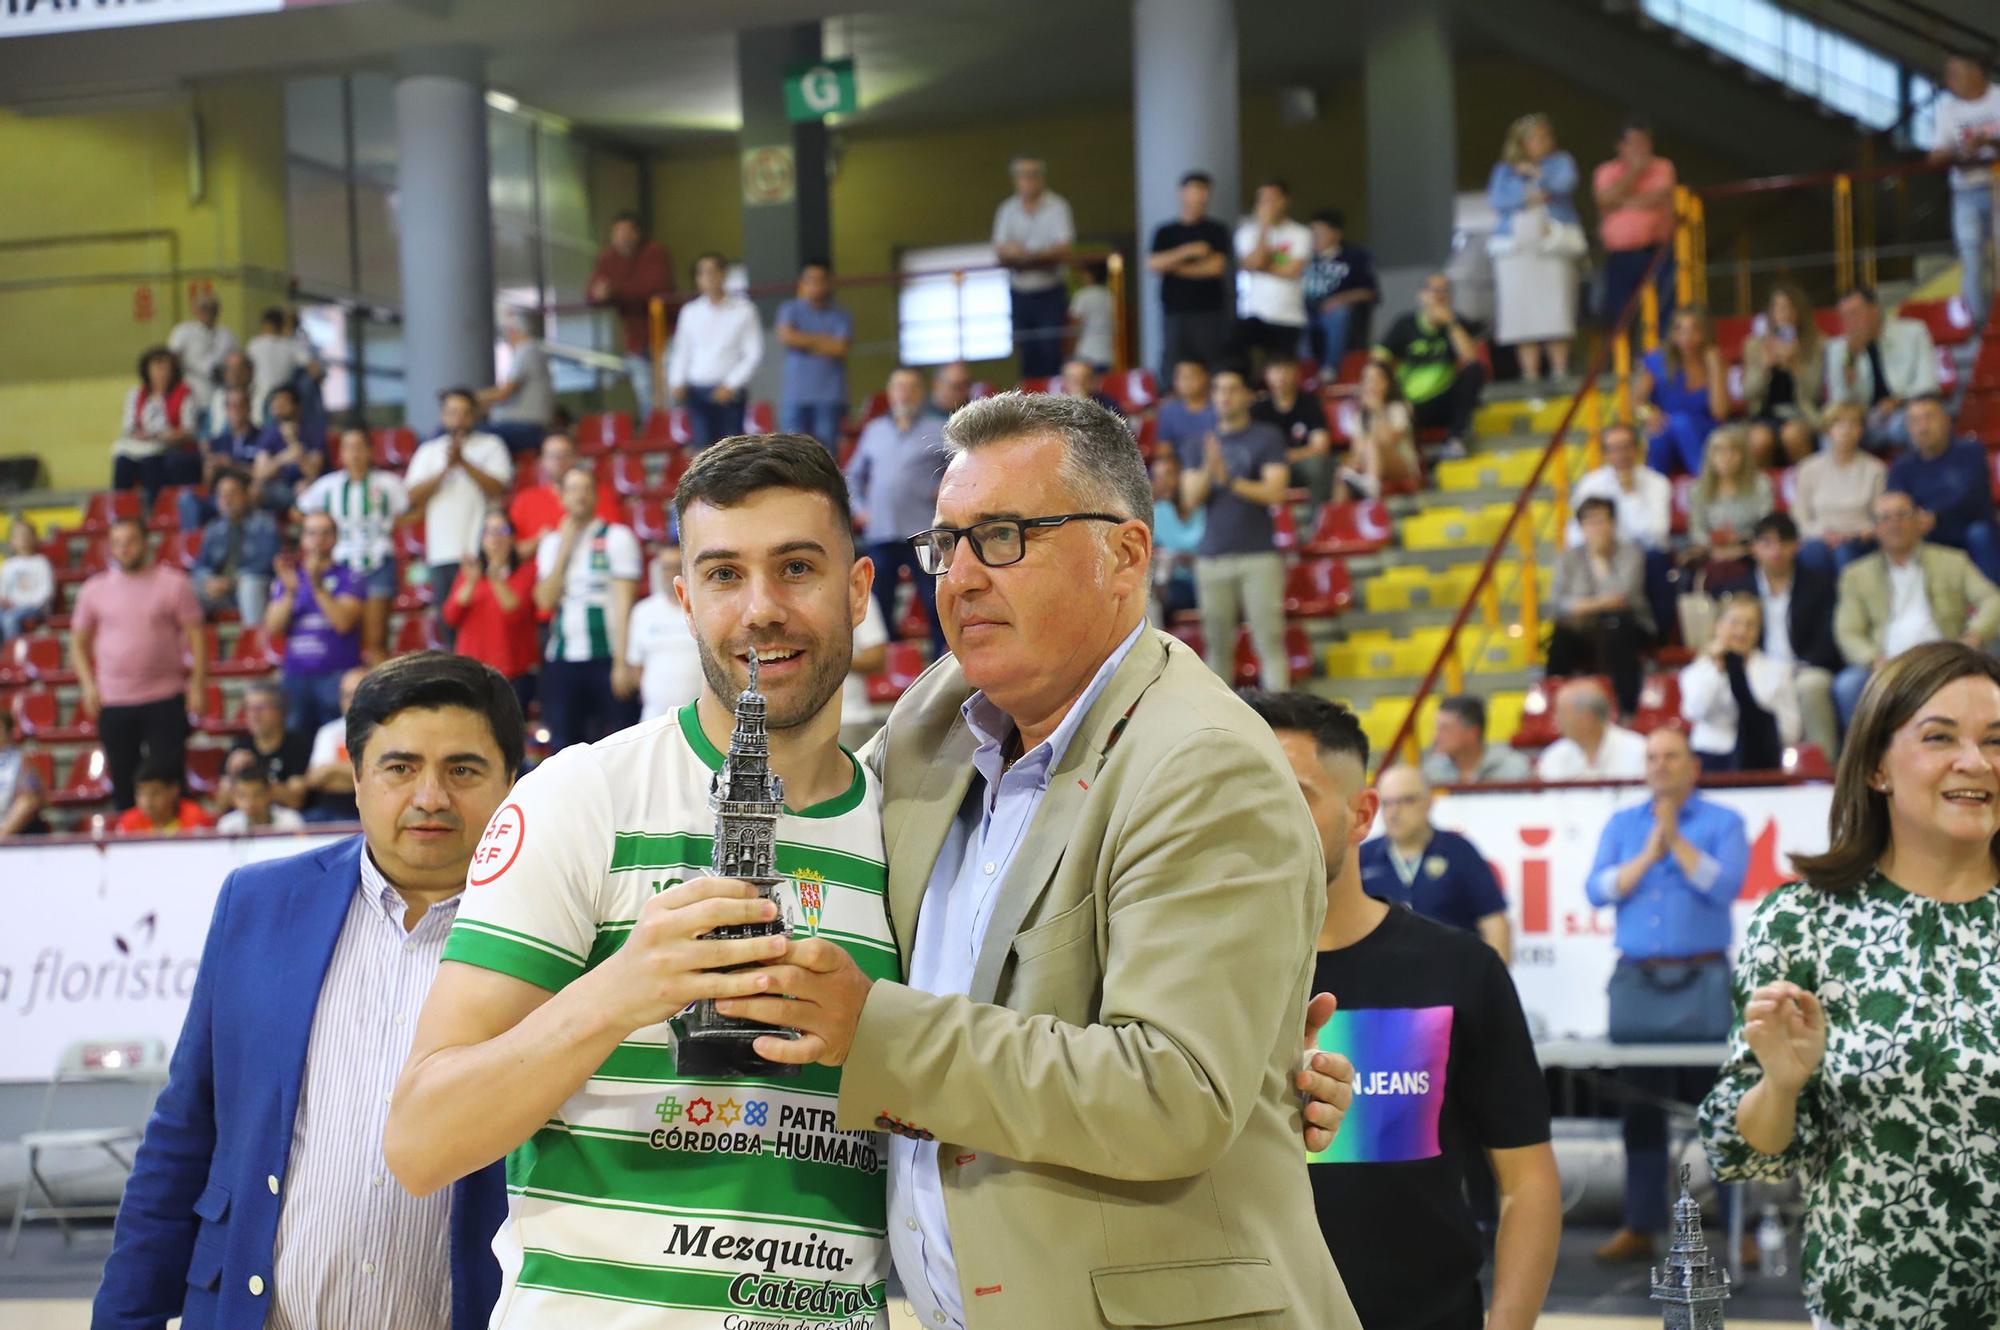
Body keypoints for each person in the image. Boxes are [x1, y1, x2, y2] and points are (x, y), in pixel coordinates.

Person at [735, 393, 1361, 1329]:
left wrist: (875, 1030)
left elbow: (1173, 1092)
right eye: (947, 544)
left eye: (1006, 536)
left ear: (1126, 554)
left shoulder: (1202, 763)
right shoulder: (935, 720)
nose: (961, 578)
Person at [383, 434, 905, 1325]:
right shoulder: (584, 798)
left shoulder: (914, 832)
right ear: (683, 602)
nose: (761, 609)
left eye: (797, 568)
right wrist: (622, 991)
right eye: (724, 575)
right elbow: (422, 1140)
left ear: (858, 590)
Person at [94, 652, 518, 1330]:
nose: (431, 796)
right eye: (400, 767)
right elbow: (183, 1135)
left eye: (463, 770)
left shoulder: (552, 935)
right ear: (356, 779)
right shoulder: (258, 906)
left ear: (510, 783)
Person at [1699, 640, 2000, 1330]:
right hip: (1874, 1311)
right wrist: (1780, 1085)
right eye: (1940, 738)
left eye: (1996, 740)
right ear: (1875, 767)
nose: (1977, 763)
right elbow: (1746, 1154)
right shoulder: (1804, 922)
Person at [1254, 693, 1558, 1330]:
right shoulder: (1202, 975)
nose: (1264, 816)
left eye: (1295, 794)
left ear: (1363, 813)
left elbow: (1527, 1179)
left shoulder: (1460, 971)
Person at [1585, 725, 1749, 1263]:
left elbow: (1725, 887)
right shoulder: (1622, 824)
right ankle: (1640, 1225)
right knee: (1641, 1109)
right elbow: (1597, 890)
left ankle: (1737, 1227)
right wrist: (1647, 853)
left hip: (1702, 984)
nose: (1659, 765)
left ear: (1692, 766)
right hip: (1638, 984)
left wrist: (1675, 840)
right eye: (1652, 756)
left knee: (1722, 1106)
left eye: (1670, 756)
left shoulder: (1724, 823)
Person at [1832, 489, 2000, 727]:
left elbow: (1992, 599)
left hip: (1944, 656)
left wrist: (1974, 636)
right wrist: (1873, 660)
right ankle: (1862, 762)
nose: (1894, 524)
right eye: (1885, 518)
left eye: (1902, 515)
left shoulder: (1952, 560)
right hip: (1886, 663)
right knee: (1848, 685)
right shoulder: (1856, 574)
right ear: (1875, 528)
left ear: (1919, 520)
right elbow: (1847, 631)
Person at [70, 517, 204, 811]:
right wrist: (88, 685)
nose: (125, 548)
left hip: (165, 697)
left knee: (170, 777)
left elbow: (196, 637)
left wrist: (197, 685)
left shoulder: (174, 583)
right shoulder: (94, 589)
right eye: (117, 543)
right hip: (114, 699)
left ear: (145, 543)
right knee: (123, 778)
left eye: (130, 541)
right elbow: (78, 643)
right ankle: (127, 843)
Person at [1178, 368, 1292, 689]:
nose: (1224, 396)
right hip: (1212, 558)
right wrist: (1208, 470)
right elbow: (1189, 500)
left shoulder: (1266, 437)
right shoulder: (1198, 443)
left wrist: (1229, 480)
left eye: (1231, 389)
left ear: (1246, 395)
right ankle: (1221, 731)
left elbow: (1275, 492)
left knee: (1269, 643)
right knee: (1217, 649)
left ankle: (1278, 723)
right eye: (1218, 390)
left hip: (1258, 556)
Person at [1712, 513, 1843, 760]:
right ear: (1754, 548)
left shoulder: (1819, 585)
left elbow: (1828, 641)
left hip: (1805, 668)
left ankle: (1822, 767)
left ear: (1797, 546)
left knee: (1812, 685)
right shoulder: (1737, 588)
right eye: (1767, 543)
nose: (1776, 550)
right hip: (1756, 665)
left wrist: (1797, 668)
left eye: (1784, 542)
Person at [532, 464, 641, 750]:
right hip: (563, 657)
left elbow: (624, 602)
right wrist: (565, 549)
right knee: (563, 746)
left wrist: (622, 660)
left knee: (621, 743)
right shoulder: (552, 543)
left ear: (594, 495)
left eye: (585, 489)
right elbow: (545, 600)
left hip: (607, 658)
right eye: (572, 489)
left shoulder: (617, 536)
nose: (579, 496)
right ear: (562, 496)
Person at [845, 367, 948, 654]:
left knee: (934, 599)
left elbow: (962, 465)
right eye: (898, 387)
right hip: (882, 531)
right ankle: (889, 664)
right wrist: (860, 510)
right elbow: (852, 476)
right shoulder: (874, 430)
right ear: (889, 393)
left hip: (924, 531)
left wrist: (946, 488)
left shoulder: (938, 429)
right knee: (880, 602)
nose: (904, 393)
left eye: (911, 387)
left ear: (921, 393)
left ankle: (943, 662)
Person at [1362, 764, 1512, 956]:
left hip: (1452, 977)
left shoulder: (1459, 851)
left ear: (1430, 801)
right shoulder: (1363, 857)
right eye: (1386, 803)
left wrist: (1494, 981)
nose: (1394, 812)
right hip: (1383, 978)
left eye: (1406, 800)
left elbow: (1494, 922)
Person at [404, 387, 514, 645]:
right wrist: (445, 469)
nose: (459, 419)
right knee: (449, 628)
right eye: (453, 412)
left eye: (465, 413)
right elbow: (411, 496)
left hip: (482, 551)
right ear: (443, 416)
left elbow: (499, 488)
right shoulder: (428, 451)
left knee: (486, 627)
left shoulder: (491, 446)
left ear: (474, 415)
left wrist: (463, 462)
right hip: (441, 553)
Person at [296, 424, 409, 663]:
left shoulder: (389, 483)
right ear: (341, 453)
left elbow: (410, 512)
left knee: (376, 638)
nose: (354, 453)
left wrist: (390, 526)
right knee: (344, 634)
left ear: (370, 450)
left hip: (377, 564)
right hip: (342, 567)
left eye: (360, 447)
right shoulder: (327, 486)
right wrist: (322, 537)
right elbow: (298, 512)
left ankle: (380, 696)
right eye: (348, 447)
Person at [1486, 112, 1582, 382]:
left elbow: (1564, 184)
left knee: (1556, 308)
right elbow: (1498, 199)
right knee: (1522, 313)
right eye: (1537, 137)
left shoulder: (1561, 162)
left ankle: (1560, 370)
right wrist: (1526, 194)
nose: (1544, 141)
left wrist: (1536, 174)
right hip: (1516, 251)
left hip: (1552, 244)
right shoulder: (1505, 169)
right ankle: (1530, 374)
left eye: (1546, 136)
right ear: (1522, 142)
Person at [1548, 496, 1657, 716]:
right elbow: (1558, 604)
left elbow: (1621, 597)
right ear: (1581, 527)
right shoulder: (1568, 558)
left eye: (1601, 520)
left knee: (1615, 628)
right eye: (1589, 522)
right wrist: (1596, 604)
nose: (1596, 528)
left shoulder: (1630, 553)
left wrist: (1599, 562)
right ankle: (1555, 707)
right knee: (1560, 637)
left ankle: (1625, 708)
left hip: (1629, 625)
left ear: (1613, 523)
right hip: (1583, 628)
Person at [267, 511, 366, 738]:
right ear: (303, 538)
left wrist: (317, 586)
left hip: (336, 676)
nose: (318, 539)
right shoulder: (289, 579)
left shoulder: (349, 577)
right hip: (295, 676)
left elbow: (343, 623)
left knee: (341, 739)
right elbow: (273, 628)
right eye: (312, 533)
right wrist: (291, 593)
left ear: (335, 539)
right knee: (297, 741)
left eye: (325, 533)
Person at [1885, 393, 2000, 583]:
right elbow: (1895, 501)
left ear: (1947, 420)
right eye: (1914, 421)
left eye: (1929, 417)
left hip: (1965, 527)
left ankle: (1994, 603)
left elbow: (1975, 499)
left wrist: (1935, 516)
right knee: (1899, 537)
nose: (1922, 427)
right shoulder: (1901, 465)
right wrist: (1914, 519)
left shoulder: (1971, 451)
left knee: (1980, 533)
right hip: (1924, 534)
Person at [1679, 594, 1800, 772]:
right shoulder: (1696, 672)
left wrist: (1759, 728)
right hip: (1708, 758)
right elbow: (1695, 711)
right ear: (1718, 626)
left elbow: (1791, 729)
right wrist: (1717, 670)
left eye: (1750, 625)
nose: (1742, 632)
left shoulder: (1778, 671)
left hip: (1759, 760)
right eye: (1734, 623)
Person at [1375, 272, 1487, 456]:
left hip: (1442, 399)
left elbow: (1471, 359)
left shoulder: (1457, 324)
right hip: (1409, 402)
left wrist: (1451, 324)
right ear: (1421, 295)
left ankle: (1455, 440)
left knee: (1475, 371)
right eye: (1434, 290)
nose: (1439, 296)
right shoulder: (1405, 324)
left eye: (1445, 291)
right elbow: (1378, 361)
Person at [443, 511, 540, 713]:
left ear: (513, 538)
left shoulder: (526, 572)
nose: (495, 537)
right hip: (472, 672)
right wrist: (470, 583)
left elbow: (517, 614)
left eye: (502, 530)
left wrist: (495, 578)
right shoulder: (469, 574)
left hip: (513, 674)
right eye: (489, 532)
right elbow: (450, 617)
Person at [1930, 53, 2000, 331]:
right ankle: (1979, 327)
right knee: (1971, 258)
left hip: (1998, 186)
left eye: (1955, 74)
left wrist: (1992, 143)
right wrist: (1960, 150)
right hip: (1965, 192)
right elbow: (1934, 157)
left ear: (1976, 73)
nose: (1949, 81)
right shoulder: (1947, 110)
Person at [1823, 287, 1939, 450]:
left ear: (1875, 310)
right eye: (1845, 316)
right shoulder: (1838, 349)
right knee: (1829, 439)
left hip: (1903, 410)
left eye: (1855, 313)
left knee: (1908, 424)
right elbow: (1838, 402)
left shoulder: (1913, 332)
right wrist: (1850, 363)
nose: (1850, 321)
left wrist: (1898, 401)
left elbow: (1927, 384)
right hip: (1863, 418)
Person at [666, 251, 763, 448]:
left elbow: (753, 353)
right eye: (702, 273)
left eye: (712, 271)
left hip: (730, 392)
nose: (708, 277)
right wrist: (676, 380)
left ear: (723, 274)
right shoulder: (690, 312)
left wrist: (731, 384)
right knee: (701, 452)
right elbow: (682, 350)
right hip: (696, 391)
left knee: (731, 453)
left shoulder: (744, 310)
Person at [992, 154, 1075, 378]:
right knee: (1027, 352)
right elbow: (1000, 251)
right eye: (1023, 175)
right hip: (1020, 292)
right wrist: (1038, 255)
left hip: (1051, 291)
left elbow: (1064, 248)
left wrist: (1026, 255)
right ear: (1015, 180)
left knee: (1051, 350)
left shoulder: (1058, 206)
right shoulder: (1007, 210)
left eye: (1033, 175)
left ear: (1041, 178)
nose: (1028, 180)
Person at [1146, 168, 1234, 375]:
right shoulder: (1165, 232)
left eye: (1203, 191)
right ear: (1181, 193)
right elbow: (1153, 264)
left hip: (1209, 310)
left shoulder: (1216, 230)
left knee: (1212, 363)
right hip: (1174, 310)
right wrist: (1187, 251)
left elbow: (1216, 267)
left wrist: (1173, 268)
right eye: (1193, 190)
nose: (1198, 197)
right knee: (1173, 363)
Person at [588, 210, 674, 421]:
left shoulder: (655, 253)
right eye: (616, 233)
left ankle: (675, 438)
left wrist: (615, 293)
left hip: (665, 334)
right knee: (644, 393)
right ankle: (655, 440)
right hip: (634, 341)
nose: (621, 238)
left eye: (626, 232)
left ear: (637, 234)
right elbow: (592, 293)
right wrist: (600, 294)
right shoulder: (607, 258)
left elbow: (654, 288)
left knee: (669, 392)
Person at [1592, 117, 1678, 329]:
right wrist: (1635, 172)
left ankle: (1661, 361)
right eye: (1635, 142)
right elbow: (1604, 199)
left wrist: (1620, 201)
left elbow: (1657, 197)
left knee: (1665, 311)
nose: (1641, 148)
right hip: (1620, 257)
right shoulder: (1605, 171)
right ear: (1620, 146)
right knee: (1619, 315)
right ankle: (1623, 361)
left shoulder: (1663, 167)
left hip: (1657, 253)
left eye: (1645, 142)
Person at [1792, 402, 1885, 576]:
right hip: (1820, 538)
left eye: (1853, 424)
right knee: (1813, 553)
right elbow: (1800, 517)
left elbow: (1880, 517)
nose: (1846, 430)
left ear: (1861, 430)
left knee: (1845, 553)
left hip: (1859, 539)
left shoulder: (1876, 469)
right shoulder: (1808, 468)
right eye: (1838, 424)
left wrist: (1857, 534)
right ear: (1827, 430)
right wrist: (1823, 535)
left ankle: (1851, 601)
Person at [1636, 305, 1729, 477]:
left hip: (1705, 433)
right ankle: (1655, 488)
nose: (1686, 337)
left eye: (1694, 330)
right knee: (1660, 433)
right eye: (1680, 330)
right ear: (1672, 333)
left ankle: (1705, 480)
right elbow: (1636, 403)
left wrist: (1715, 367)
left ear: (1705, 334)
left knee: (1680, 423)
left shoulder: (1714, 361)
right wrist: (1647, 413)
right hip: (1666, 434)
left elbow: (1720, 413)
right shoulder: (1657, 361)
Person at [1739, 281, 1825, 467]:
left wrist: (1795, 366)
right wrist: (1765, 368)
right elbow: (1748, 393)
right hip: (1765, 414)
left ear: (1798, 312)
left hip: (1802, 413)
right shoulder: (1755, 345)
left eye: (1787, 307)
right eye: (1776, 308)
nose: (1782, 314)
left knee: (1792, 435)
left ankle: (1806, 486)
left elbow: (1814, 392)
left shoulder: (1816, 343)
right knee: (1759, 440)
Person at [505, 430, 626, 559]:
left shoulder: (599, 494)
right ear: (542, 461)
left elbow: (616, 543)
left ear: (575, 457)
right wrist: (539, 541)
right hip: (536, 576)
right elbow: (510, 555)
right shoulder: (524, 499)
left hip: (591, 571)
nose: (559, 461)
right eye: (552, 456)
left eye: (564, 455)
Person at [1235, 178, 1313, 374]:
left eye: (1273, 199)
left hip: (1288, 315)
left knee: (1283, 371)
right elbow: (1252, 263)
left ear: (1285, 201)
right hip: (1253, 314)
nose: (1268, 205)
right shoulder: (1246, 233)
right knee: (1246, 367)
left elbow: (1293, 270)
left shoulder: (1300, 233)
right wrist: (1264, 229)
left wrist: (1261, 266)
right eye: (1263, 200)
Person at [773, 257, 853, 450]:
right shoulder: (789, 309)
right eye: (810, 280)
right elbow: (787, 337)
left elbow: (839, 348)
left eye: (820, 280)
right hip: (795, 396)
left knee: (827, 453)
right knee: (790, 451)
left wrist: (803, 340)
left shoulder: (841, 314)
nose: (815, 285)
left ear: (829, 283)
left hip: (829, 397)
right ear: (802, 283)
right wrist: (824, 340)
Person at [621, 539, 703, 723]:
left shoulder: (705, 609)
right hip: (654, 719)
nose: (670, 574)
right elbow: (636, 668)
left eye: (676, 566)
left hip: (701, 722)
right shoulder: (643, 612)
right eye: (665, 567)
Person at [189, 468, 280, 625]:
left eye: (232, 494)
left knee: (250, 584)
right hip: (220, 590)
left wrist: (231, 582)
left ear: (245, 495)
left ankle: (253, 643)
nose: (227, 499)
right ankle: (191, 647)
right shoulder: (214, 528)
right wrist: (209, 580)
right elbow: (200, 565)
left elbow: (266, 563)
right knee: (181, 589)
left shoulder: (264, 523)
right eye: (222, 495)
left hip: (251, 586)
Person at [1567, 422, 1673, 553]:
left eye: (1626, 447)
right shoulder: (1590, 483)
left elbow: (1657, 535)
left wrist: (1630, 493)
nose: (1621, 454)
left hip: (1643, 556)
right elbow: (1575, 532)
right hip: (1598, 555)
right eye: (1614, 449)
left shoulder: (1658, 482)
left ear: (1637, 449)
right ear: (1604, 454)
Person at [112, 346, 200, 501]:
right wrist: (140, 435)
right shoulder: (136, 394)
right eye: (156, 368)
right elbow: (128, 427)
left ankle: (156, 509)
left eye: (165, 368)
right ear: (147, 371)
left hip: (171, 448)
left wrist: (161, 436)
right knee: (122, 462)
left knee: (150, 463)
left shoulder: (184, 393)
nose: (161, 373)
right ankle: (122, 510)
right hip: (141, 446)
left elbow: (189, 430)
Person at [1685, 424, 1774, 576]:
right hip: (1712, 553)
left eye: (1733, 450)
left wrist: (1741, 542)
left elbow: (1766, 525)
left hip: (1750, 552)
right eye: (1718, 450)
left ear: (1744, 455)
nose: (1726, 456)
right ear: (1710, 456)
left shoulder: (1760, 484)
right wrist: (1714, 544)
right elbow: (1696, 531)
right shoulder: (1698, 490)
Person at [1300, 208, 1377, 370]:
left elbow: (1369, 292)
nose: (1314, 238)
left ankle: (1330, 368)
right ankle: (1305, 371)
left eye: (1320, 232)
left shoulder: (1354, 257)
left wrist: (1339, 300)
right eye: (1312, 233)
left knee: (1339, 314)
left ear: (1335, 234)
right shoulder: (1302, 258)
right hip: (1307, 312)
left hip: (1336, 312)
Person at [1334, 360, 1420, 501]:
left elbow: (1388, 440)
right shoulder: (1360, 416)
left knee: (1372, 443)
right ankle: (1338, 517)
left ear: (1387, 383)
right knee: (1343, 474)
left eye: (1376, 379)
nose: (1371, 384)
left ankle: (1371, 487)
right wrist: (1352, 466)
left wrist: (1378, 410)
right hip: (1369, 463)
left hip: (1402, 464)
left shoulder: (1398, 408)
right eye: (1367, 380)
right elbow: (1356, 451)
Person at [1254, 357, 1334, 506]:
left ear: (1296, 373)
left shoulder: (1310, 403)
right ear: (1266, 375)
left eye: (1286, 369)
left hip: (1299, 466)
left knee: (1320, 465)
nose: (1281, 375)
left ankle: (1318, 520)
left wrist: (1286, 456)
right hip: (1268, 467)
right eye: (1276, 370)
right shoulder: (1258, 409)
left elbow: (1320, 446)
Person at [224, 681, 314, 814]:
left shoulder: (299, 746)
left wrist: (257, 777)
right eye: (249, 708)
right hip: (247, 823)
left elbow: (295, 799)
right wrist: (232, 773)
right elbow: (220, 804)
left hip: (289, 823)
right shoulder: (239, 746)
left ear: (281, 710)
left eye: (261, 708)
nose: (254, 715)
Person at [1535, 677, 1648, 781]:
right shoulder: (1554, 756)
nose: (1557, 720)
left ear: (1586, 718)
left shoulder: (1640, 752)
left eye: (1562, 714)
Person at [476, 310, 556, 454]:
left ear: (512, 332)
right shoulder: (529, 351)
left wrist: (471, 397)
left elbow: (504, 393)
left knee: (468, 433)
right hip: (522, 427)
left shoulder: (526, 350)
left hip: (525, 429)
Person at [300, 664, 367, 824]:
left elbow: (373, 777)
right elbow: (313, 779)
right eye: (345, 695)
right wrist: (353, 771)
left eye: (355, 694)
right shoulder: (328, 732)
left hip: (367, 809)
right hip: (329, 809)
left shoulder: (384, 732)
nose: (350, 701)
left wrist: (332, 769)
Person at [1421, 694, 1532, 785]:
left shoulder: (1513, 767)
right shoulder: (1431, 771)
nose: (1435, 736)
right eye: (1436, 728)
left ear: (1472, 733)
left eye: (1445, 729)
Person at [248, 384, 326, 513]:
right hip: (280, 487)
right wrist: (283, 458)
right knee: (254, 491)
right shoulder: (268, 434)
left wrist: (292, 441)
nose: (278, 407)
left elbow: (313, 473)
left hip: (308, 487)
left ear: (297, 407)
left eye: (284, 402)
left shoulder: (313, 432)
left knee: (305, 489)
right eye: (275, 402)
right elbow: (259, 474)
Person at [1148, 449, 1203, 622]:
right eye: (1157, 477)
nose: (1163, 483)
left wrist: (1195, 560)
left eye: (1169, 475)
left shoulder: (1205, 509)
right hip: (1175, 584)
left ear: (1183, 476)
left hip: (1208, 578)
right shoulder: (1157, 513)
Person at [166, 292, 238, 421]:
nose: (209, 312)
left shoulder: (227, 335)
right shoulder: (183, 331)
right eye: (204, 307)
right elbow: (172, 359)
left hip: (220, 395)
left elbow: (235, 363)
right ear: (194, 310)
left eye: (213, 308)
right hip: (191, 394)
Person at [245, 305, 321, 424]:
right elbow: (314, 369)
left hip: (260, 397)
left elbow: (246, 372)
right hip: (283, 400)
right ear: (280, 324)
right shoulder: (290, 345)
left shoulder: (254, 344)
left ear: (264, 324)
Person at [113, 757, 213, 836]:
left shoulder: (195, 818)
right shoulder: (128, 822)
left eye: (155, 793)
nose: (147, 802)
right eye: (141, 794)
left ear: (174, 790)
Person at [214, 753, 306, 834]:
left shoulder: (291, 820)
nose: (249, 802)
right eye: (242, 796)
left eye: (256, 795)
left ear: (269, 794)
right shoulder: (227, 825)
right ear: (233, 797)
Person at [0, 517, 54, 642]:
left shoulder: (42, 562)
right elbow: (3, 590)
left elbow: (47, 592)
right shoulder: (8, 565)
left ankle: (14, 655)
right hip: (11, 607)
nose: (23, 539)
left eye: (27, 535)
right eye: (19, 536)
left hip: (35, 608)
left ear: (35, 538)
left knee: (10, 620)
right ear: (11, 541)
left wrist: (21, 604)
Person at [0, 707, 49, 837]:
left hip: (10, 826)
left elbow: (36, 798)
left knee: (27, 802)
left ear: (8, 732)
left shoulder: (20, 761)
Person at [1154, 357, 1215, 459]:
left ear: (1206, 377)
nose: (1186, 381)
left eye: (1192, 376)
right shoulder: (1168, 411)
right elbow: (1163, 449)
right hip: (1179, 468)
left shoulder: (1218, 408)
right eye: (1181, 377)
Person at [1066, 258, 1115, 371]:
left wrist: (1069, 353)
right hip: (1108, 355)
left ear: (1089, 275)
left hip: (1086, 355)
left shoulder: (1082, 296)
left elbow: (1074, 326)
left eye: (1083, 273)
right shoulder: (1111, 296)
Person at [1056, 356, 1121, 413]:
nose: (1079, 383)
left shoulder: (1109, 404)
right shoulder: (1056, 405)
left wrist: (1085, 404)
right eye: (1072, 378)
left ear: (1093, 380)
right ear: (1064, 381)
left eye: (1084, 378)